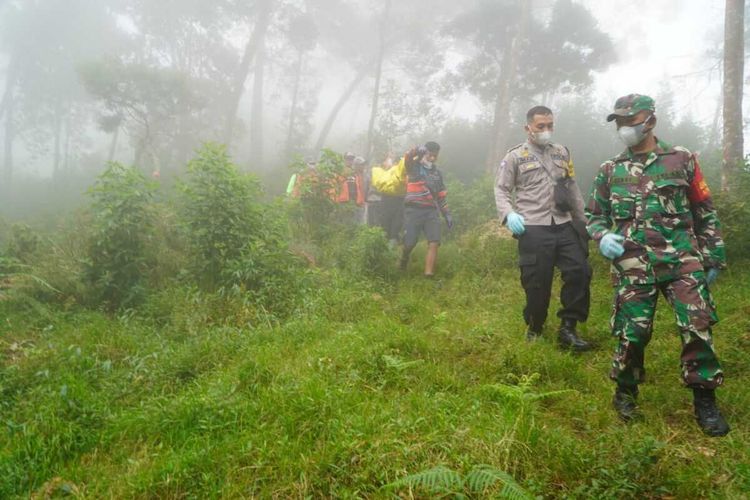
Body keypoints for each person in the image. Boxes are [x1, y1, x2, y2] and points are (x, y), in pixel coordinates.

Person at [585, 94, 729, 436]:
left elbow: (704, 210)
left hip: (681, 260)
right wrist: (602, 235)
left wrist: (714, 255)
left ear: (650, 120)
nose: (624, 128)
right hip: (632, 264)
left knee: (697, 327)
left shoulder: (681, 159)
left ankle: (704, 399)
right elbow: (593, 214)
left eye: (629, 120)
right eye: (619, 122)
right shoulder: (610, 169)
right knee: (631, 334)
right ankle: (625, 392)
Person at [495, 105, 592, 351]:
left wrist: (584, 222)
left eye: (550, 126)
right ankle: (535, 327)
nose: (546, 130)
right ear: (528, 128)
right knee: (537, 282)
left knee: (579, 271)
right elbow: (502, 190)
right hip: (533, 226)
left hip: (563, 223)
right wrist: (509, 214)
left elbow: (572, 187)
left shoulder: (562, 152)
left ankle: (568, 328)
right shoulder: (515, 156)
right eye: (541, 126)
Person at [400, 141, 453, 277]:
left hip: (431, 211)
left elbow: (441, 195)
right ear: (424, 153)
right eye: (430, 155)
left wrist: (446, 213)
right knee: (410, 243)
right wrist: (417, 150)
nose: (433, 158)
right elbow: (407, 157)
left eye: (435, 156)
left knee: (434, 242)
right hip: (414, 210)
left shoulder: (437, 173)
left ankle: (428, 275)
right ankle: (404, 258)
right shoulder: (414, 166)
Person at [365, 153, 405, 246]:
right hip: (386, 200)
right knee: (385, 224)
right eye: (387, 159)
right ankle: (385, 244)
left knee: (395, 224)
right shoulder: (380, 172)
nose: (389, 162)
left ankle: (391, 243)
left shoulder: (397, 172)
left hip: (396, 200)